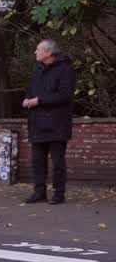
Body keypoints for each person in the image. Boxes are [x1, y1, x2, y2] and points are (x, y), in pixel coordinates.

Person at [23, 39, 76, 205]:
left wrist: (38, 101)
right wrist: (26, 100)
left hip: (57, 124)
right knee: (37, 161)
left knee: (58, 162)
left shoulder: (65, 70)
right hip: (37, 123)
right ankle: (39, 192)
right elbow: (30, 90)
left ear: (48, 53)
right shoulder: (38, 70)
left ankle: (59, 194)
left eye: (38, 49)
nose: (35, 52)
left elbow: (64, 95)